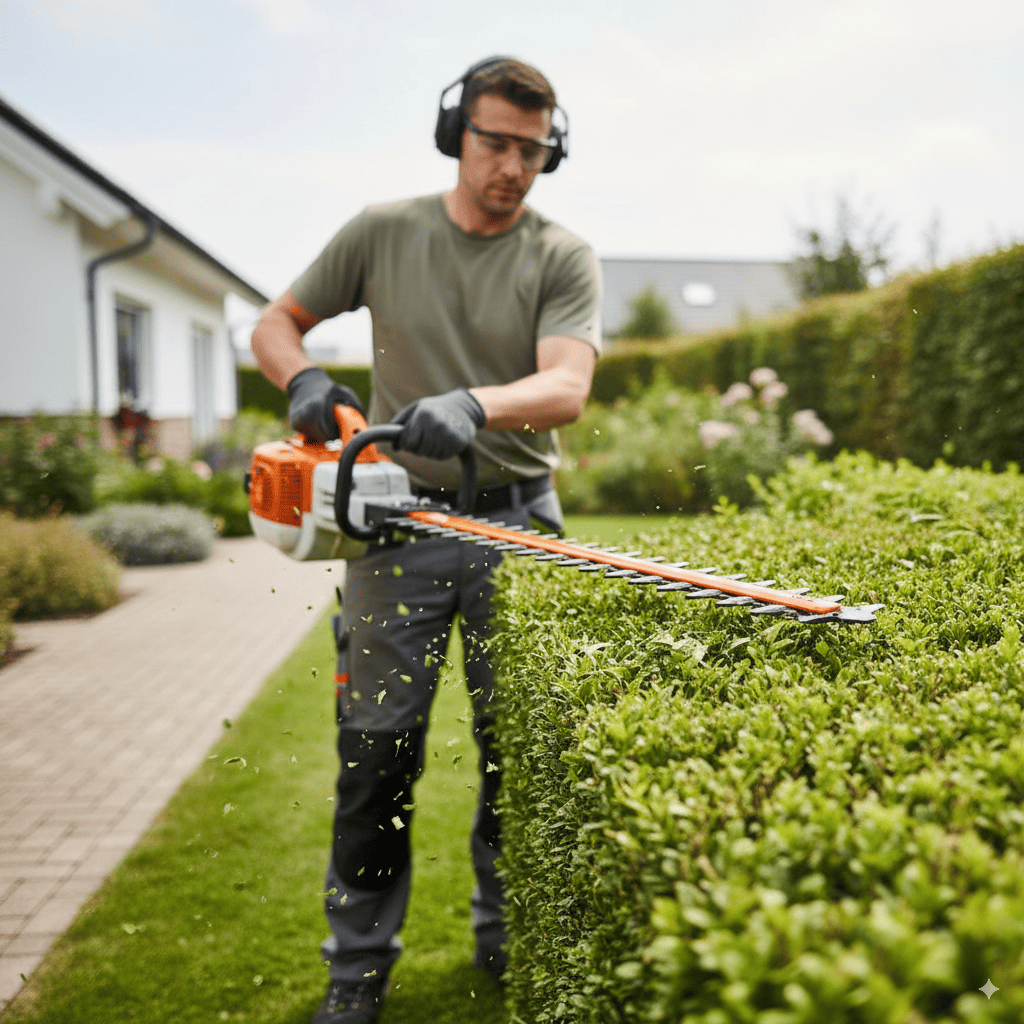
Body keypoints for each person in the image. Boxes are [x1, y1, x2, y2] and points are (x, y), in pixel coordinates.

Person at [251, 55, 601, 1024]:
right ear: (458, 134)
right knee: (377, 756)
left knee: (515, 751)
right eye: (494, 142)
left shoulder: (561, 255)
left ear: (549, 151)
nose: (511, 166)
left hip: (517, 524)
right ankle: (355, 972)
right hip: (394, 527)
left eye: (531, 149)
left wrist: (475, 402)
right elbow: (276, 321)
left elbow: (566, 385)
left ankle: (503, 936)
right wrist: (302, 382)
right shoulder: (383, 231)